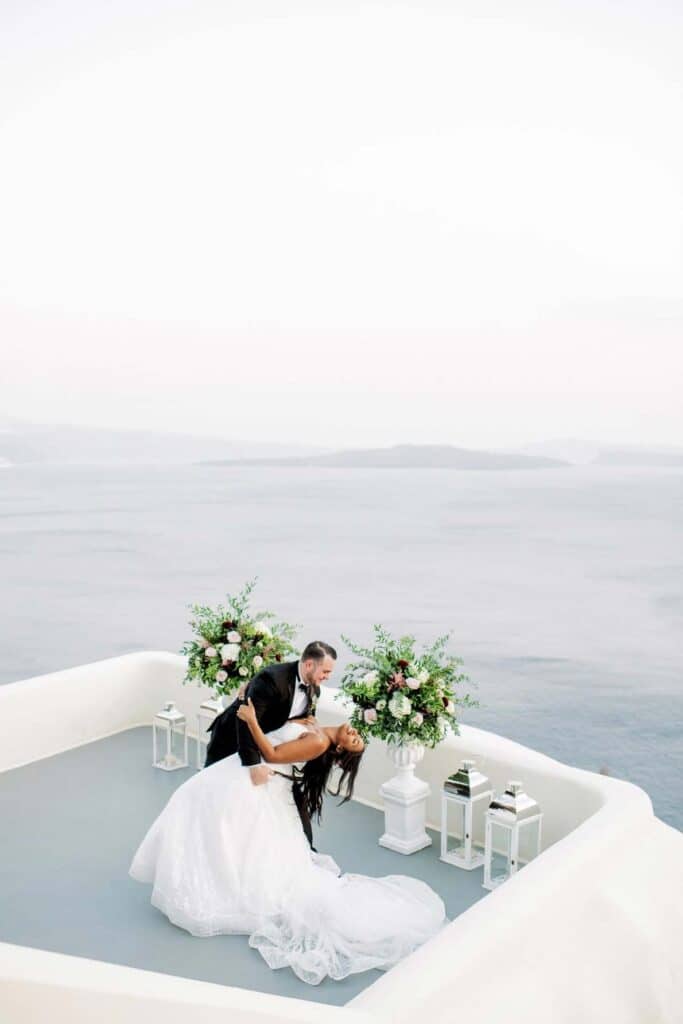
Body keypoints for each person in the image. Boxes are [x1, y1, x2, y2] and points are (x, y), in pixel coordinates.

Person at [129, 704, 446, 985]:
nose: (355, 735)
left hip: (254, 775)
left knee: (212, 820)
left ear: (339, 749)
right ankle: (208, 877)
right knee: (219, 825)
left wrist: (251, 720)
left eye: (354, 742)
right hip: (248, 775)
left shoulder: (319, 741)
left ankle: (211, 885)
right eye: (358, 737)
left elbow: (273, 754)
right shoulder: (317, 728)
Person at [204, 640, 338, 848]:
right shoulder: (272, 679)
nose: (328, 677)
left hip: (266, 744)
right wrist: (253, 765)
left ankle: (306, 850)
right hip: (230, 740)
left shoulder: (314, 690)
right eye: (326, 671)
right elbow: (244, 719)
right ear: (309, 665)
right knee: (214, 795)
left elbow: (302, 717)